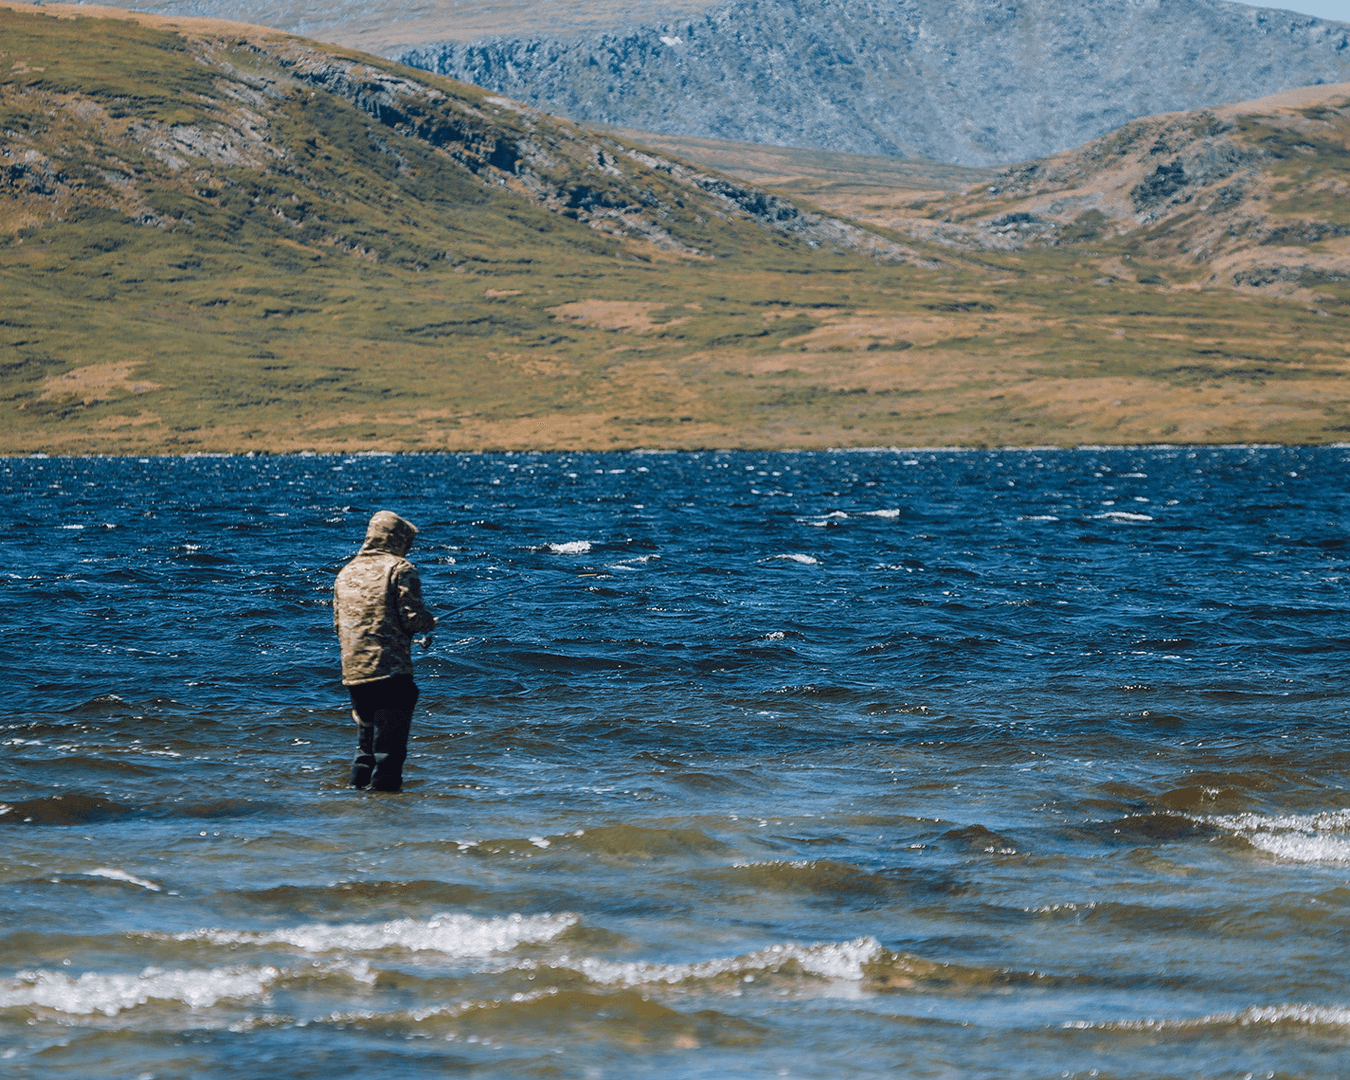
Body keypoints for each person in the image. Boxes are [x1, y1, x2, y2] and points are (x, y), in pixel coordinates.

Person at [333, 510, 437, 792]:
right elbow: (412, 619)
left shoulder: (346, 572)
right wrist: (430, 622)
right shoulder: (400, 569)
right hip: (391, 672)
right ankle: (385, 819)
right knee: (389, 754)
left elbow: (338, 624)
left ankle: (356, 806)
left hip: (354, 672)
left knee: (366, 749)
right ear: (398, 539)